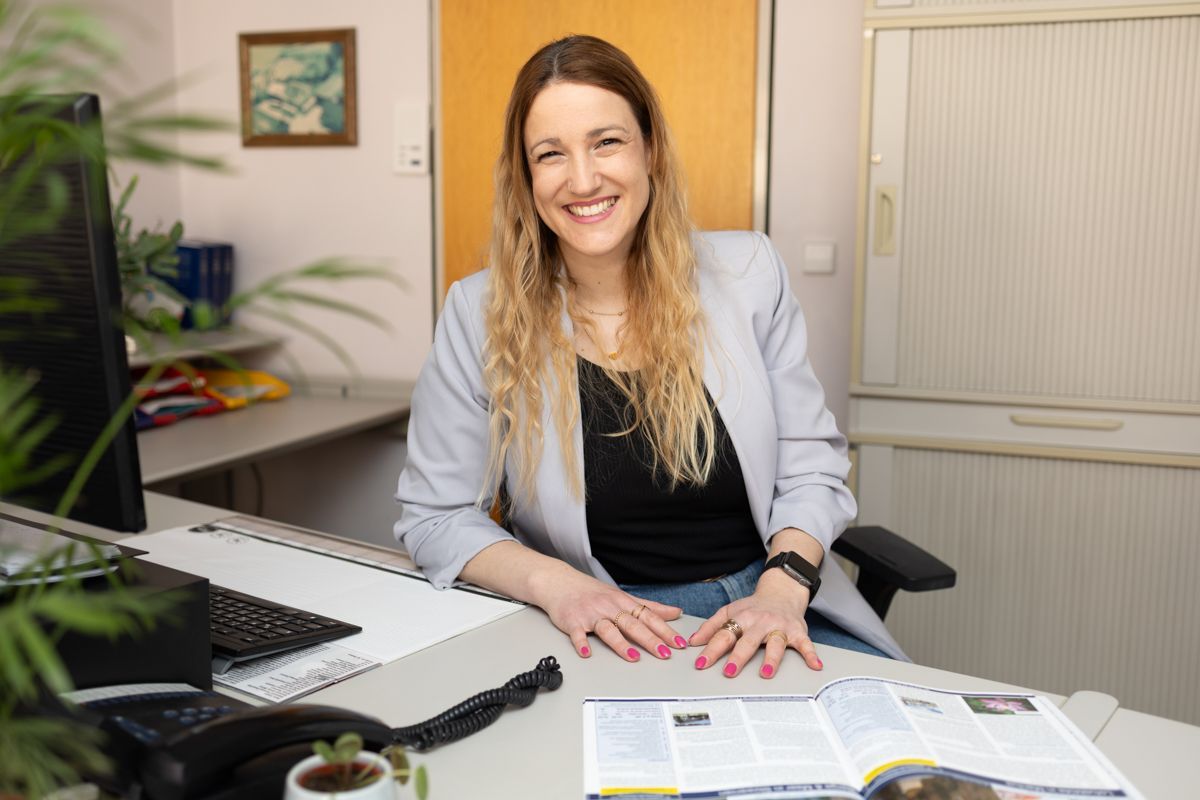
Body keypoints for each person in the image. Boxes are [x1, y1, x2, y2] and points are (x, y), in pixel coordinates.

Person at [396, 34, 905, 678]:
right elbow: (435, 518)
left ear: (650, 151)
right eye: (551, 154)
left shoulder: (750, 272)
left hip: (773, 600)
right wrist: (558, 586)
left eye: (606, 142)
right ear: (527, 179)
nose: (583, 179)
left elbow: (811, 471)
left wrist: (780, 592)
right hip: (611, 622)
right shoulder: (478, 312)